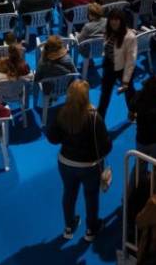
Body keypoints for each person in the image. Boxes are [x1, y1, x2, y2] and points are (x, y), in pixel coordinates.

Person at [46, 80, 111, 242]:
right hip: (89, 166)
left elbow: (52, 138)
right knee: (91, 196)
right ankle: (91, 229)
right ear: (86, 96)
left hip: (66, 163)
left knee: (69, 193)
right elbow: (106, 147)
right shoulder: (94, 117)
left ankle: (69, 227)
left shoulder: (61, 113)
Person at [97, 10, 137, 122]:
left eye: (116, 19)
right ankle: (99, 121)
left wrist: (125, 81)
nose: (113, 22)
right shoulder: (108, 31)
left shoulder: (130, 37)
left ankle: (133, 113)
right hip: (109, 66)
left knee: (130, 93)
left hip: (124, 69)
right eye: (111, 19)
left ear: (121, 21)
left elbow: (130, 61)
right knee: (104, 95)